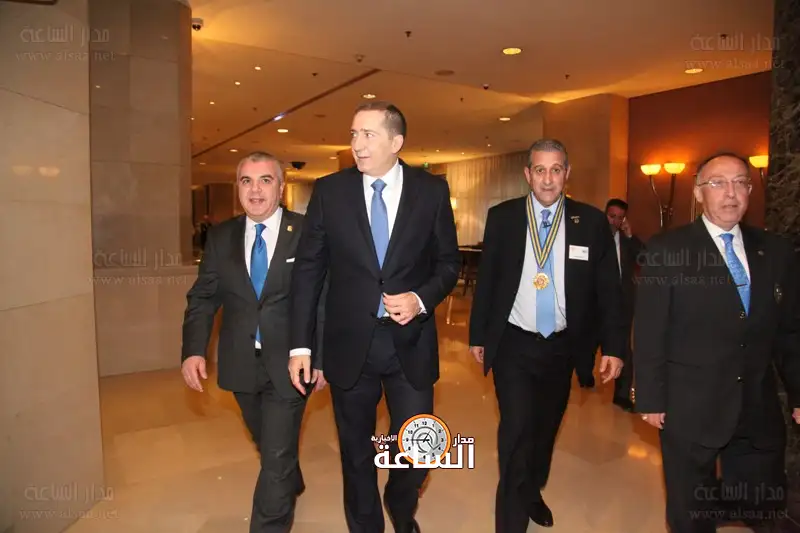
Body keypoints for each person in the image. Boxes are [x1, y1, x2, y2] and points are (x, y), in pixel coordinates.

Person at [289, 101, 461, 533]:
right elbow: (309, 270)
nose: (357, 144)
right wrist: (301, 346)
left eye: (368, 135)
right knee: (356, 452)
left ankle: (400, 503)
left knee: (420, 449)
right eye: (353, 134)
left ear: (396, 141)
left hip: (410, 341)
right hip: (350, 344)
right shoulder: (330, 192)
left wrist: (420, 299)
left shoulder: (431, 191)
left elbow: (448, 263)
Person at [634, 152, 800, 533]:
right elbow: (650, 329)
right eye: (718, 183)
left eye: (740, 183)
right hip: (689, 408)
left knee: (762, 505)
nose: (731, 193)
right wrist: (651, 398)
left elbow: (790, 331)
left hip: (756, 407)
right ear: (698, 193)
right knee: (691, 512)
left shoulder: (775, 251)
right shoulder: (667, 250)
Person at [468, 138, 626, 532]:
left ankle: (532, 489)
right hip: (514, 343)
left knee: (544, 429)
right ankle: (511, 521)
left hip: (563, 346)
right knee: (516, 430)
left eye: (556, 170)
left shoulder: (590, 222)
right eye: (540, 170)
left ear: (567, 173)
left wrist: (615, 347)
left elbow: (609, 290)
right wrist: (478, 335)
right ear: (528, 174)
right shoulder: (503, 217)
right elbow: (488, 280)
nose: (548, 179)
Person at [181, 151, 327, 533]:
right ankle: (289, 477)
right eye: (247, 181)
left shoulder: (307, 232)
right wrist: (194, 350)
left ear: (281, 187)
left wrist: (321, 358)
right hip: (240, 361)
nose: (256, 190)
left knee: (275, 455)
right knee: (266, 439)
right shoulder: (221, 237)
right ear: (238, 188)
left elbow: (323, 299)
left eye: (265, 180)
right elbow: (203, 297)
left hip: (293, 361)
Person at [581, 199, 644, 407]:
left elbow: (645, 259)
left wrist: (631, 236)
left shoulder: (626, 240)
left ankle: (622, 395)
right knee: (589, 343)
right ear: (604, 214)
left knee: (623, 347)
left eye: (619, 217)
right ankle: (585, 374)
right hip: (593, 302)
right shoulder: (591, 237)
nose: (615, 221)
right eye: (611, 216)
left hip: (621, 303)